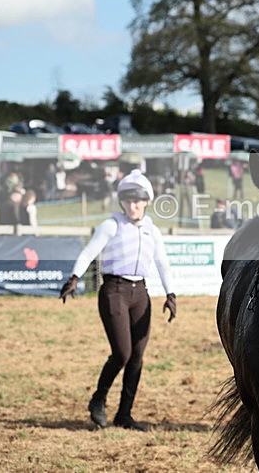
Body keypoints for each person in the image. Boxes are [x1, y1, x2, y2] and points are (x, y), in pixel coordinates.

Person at [59, 170, 177, 431]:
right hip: (114, 290)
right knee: (122, 353)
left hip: (140, 294)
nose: (132, 206)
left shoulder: (152, 231)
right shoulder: (112, 225)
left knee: (137, 357)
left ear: (146, 201)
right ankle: (98, 400)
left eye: (137, 201)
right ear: (121, 201)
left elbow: (162, 264)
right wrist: (75, 278)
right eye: (127, 201)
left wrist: (171, 294)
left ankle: (125, 414)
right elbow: (89, 251)